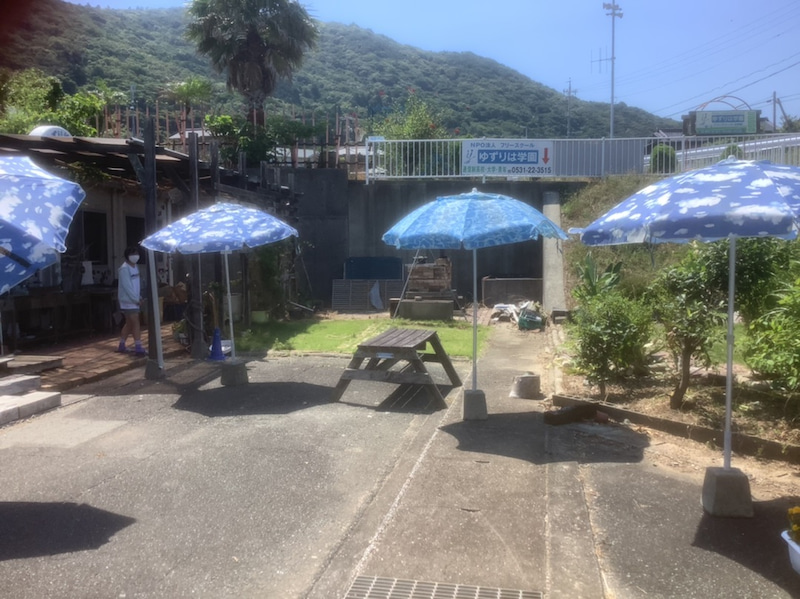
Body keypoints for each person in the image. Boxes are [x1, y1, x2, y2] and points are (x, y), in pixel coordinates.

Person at [117, 247, 146, 356]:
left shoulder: (135, 267)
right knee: (135, 322)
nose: (136, 256)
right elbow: (127, 287)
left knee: (129, 323)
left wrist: (139, 297)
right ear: (127, 256)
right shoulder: (124, 269)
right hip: (128, 300)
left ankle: (122, 344)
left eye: (136, 253)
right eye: (133, 253)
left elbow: (136, 285)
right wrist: (135, 299)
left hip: (134, 299)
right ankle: (138, 346)